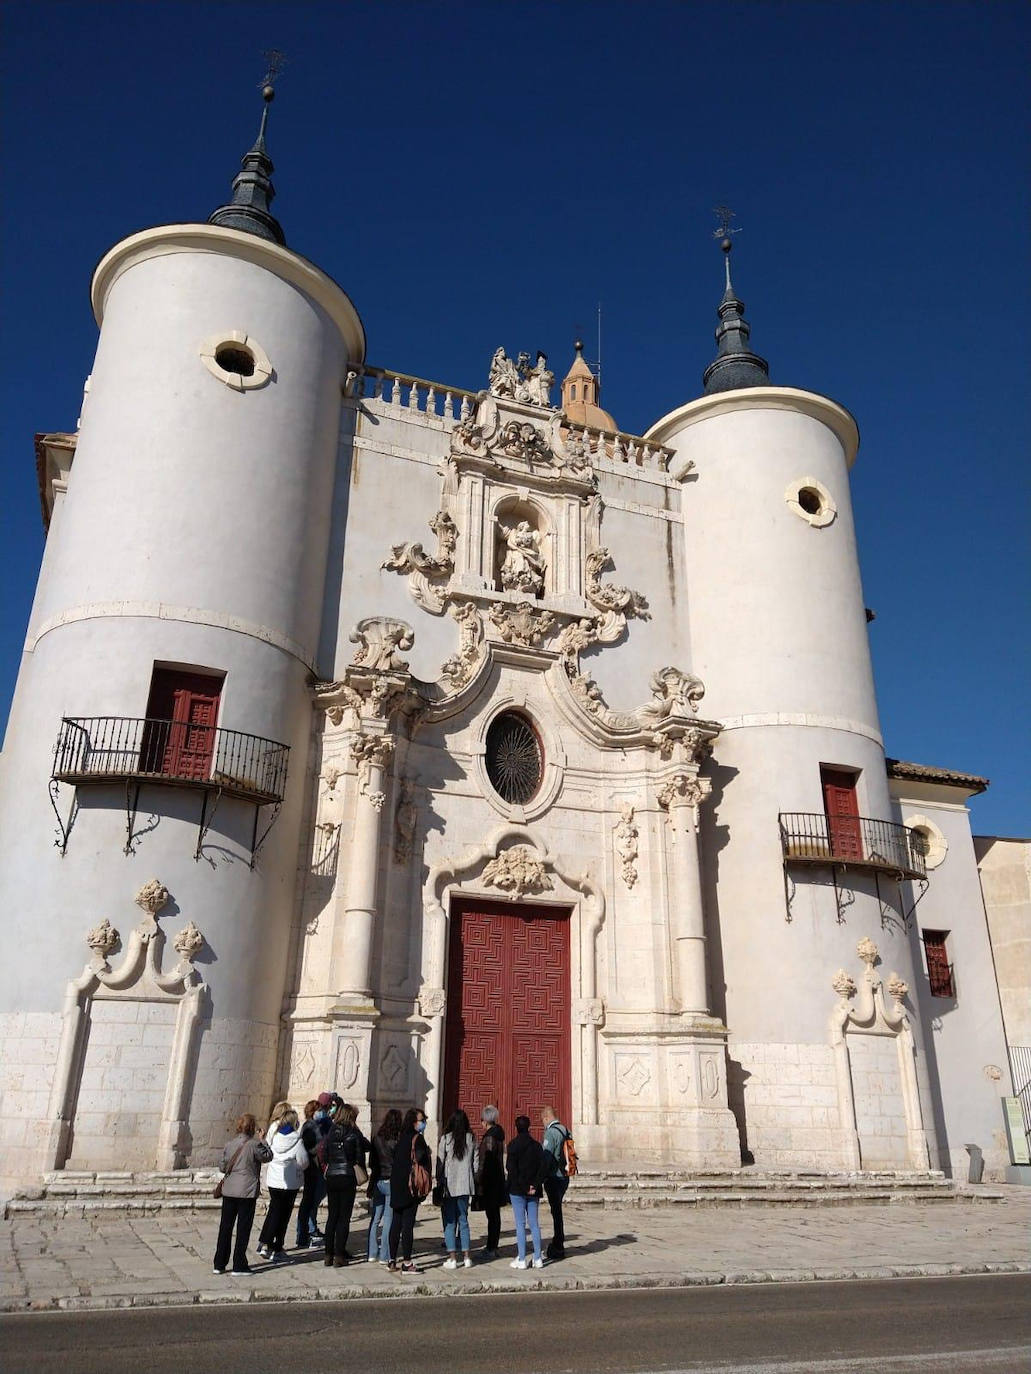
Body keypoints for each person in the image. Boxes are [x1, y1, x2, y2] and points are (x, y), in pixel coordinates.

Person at [212, 1113, 272, 1276]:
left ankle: (219, 1263)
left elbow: (223, 1167)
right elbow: (268, 1156)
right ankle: (239, 1264)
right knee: (243, 1228)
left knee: (225, 1227)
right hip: (247, 1191)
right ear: (253, 1128)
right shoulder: (255, 1145)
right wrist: (263, 1140)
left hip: (230, 1190)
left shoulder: (230, 1144)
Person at [256, 1108, 308, 1260]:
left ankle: (264, 1242)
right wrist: (297, 1167)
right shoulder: (297, 1140)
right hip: (290, 1182)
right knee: (283, 1215)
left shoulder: (275, 1136)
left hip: (274, 1180)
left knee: (274, 1211)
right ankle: (275, 1247)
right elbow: (303, 1162)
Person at [321, 1102, 368, 1267]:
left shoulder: (330, 1132)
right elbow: (361, 1154)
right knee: (344, 1217)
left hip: (332, 1175)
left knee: (332, 1216)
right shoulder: (353, 1134)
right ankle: (339, 1255)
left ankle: (328, 1254)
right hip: (347, 1176)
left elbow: (325, 1154)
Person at [388, 1106, 431, 1274]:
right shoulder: (417, 1138)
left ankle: (392, 1260)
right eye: (422, 1120)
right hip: (410, 1186)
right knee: (407, 1225)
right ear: (414, 1122)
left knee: (396, 1222)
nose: (424, 1123)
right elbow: (420, 1158)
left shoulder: (401, 1138)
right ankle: (406, 1262)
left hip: (397, 1183)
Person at [439, 1109, 477, 1269]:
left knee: (450, 1221)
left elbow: (440, 1162)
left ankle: (452, 1258)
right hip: (465, 1186)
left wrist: (439, 1180)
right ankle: (467, 1257)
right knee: (463, 1220)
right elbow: (476, 1163)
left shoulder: (446, 1139)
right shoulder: (471, 1139)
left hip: (449, 1185)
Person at [506, 1114, 545, 1269]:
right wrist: (533, 1185)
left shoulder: (513, 1145)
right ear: (529, 1127)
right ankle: (537, 1258)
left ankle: (522, 1259)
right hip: (533, 1190)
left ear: (516, 1128)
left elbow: (511, 1169)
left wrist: (523, 1187)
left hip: (517, 1190)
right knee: (534, 1224)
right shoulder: (537, 1146)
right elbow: (542, 1168)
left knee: (520, 1224)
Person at [295, 1095, 332, 1248]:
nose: (321, 1112)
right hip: (313, 1168)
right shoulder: (309, 1127)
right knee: (310, 1201)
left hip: (315, 1168)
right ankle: (307, 1233)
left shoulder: (314, 1125)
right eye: (319, 1110)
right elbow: (312, 1147)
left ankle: (309, 1230)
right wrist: (323, 1147)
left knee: (312, 1201)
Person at [367, 1107, 401, 1263]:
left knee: (375, 1218)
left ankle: (372, 1253)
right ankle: (384, 1255)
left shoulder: (377, 1138)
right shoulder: (398, 1140)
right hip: (391, 1181)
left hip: (378, 1180)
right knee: (388, 1219)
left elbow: (372, 1162)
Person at [538, 1105, 572, 1261]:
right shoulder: (565, 1130)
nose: (543, 1124)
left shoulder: (551, 1133)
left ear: (546, 1117)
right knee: (556, 1210)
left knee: (556, 1211)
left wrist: (539, 1177)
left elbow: (546, 1157)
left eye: (543, 1120)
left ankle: (558, 1245)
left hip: (554, 1178)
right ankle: (558, 1242)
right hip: (565, 1177)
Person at [475, 1105, 506, 1259]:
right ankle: (493, 1245)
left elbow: (484, 1161)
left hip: (490, 1181)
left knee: (492, 1216)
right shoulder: (499, 1135)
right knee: (495, 1216)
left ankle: (491, 1247)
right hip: (498, 1179)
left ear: (485, 1121)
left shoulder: (489, 1138)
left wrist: (478, 1179)